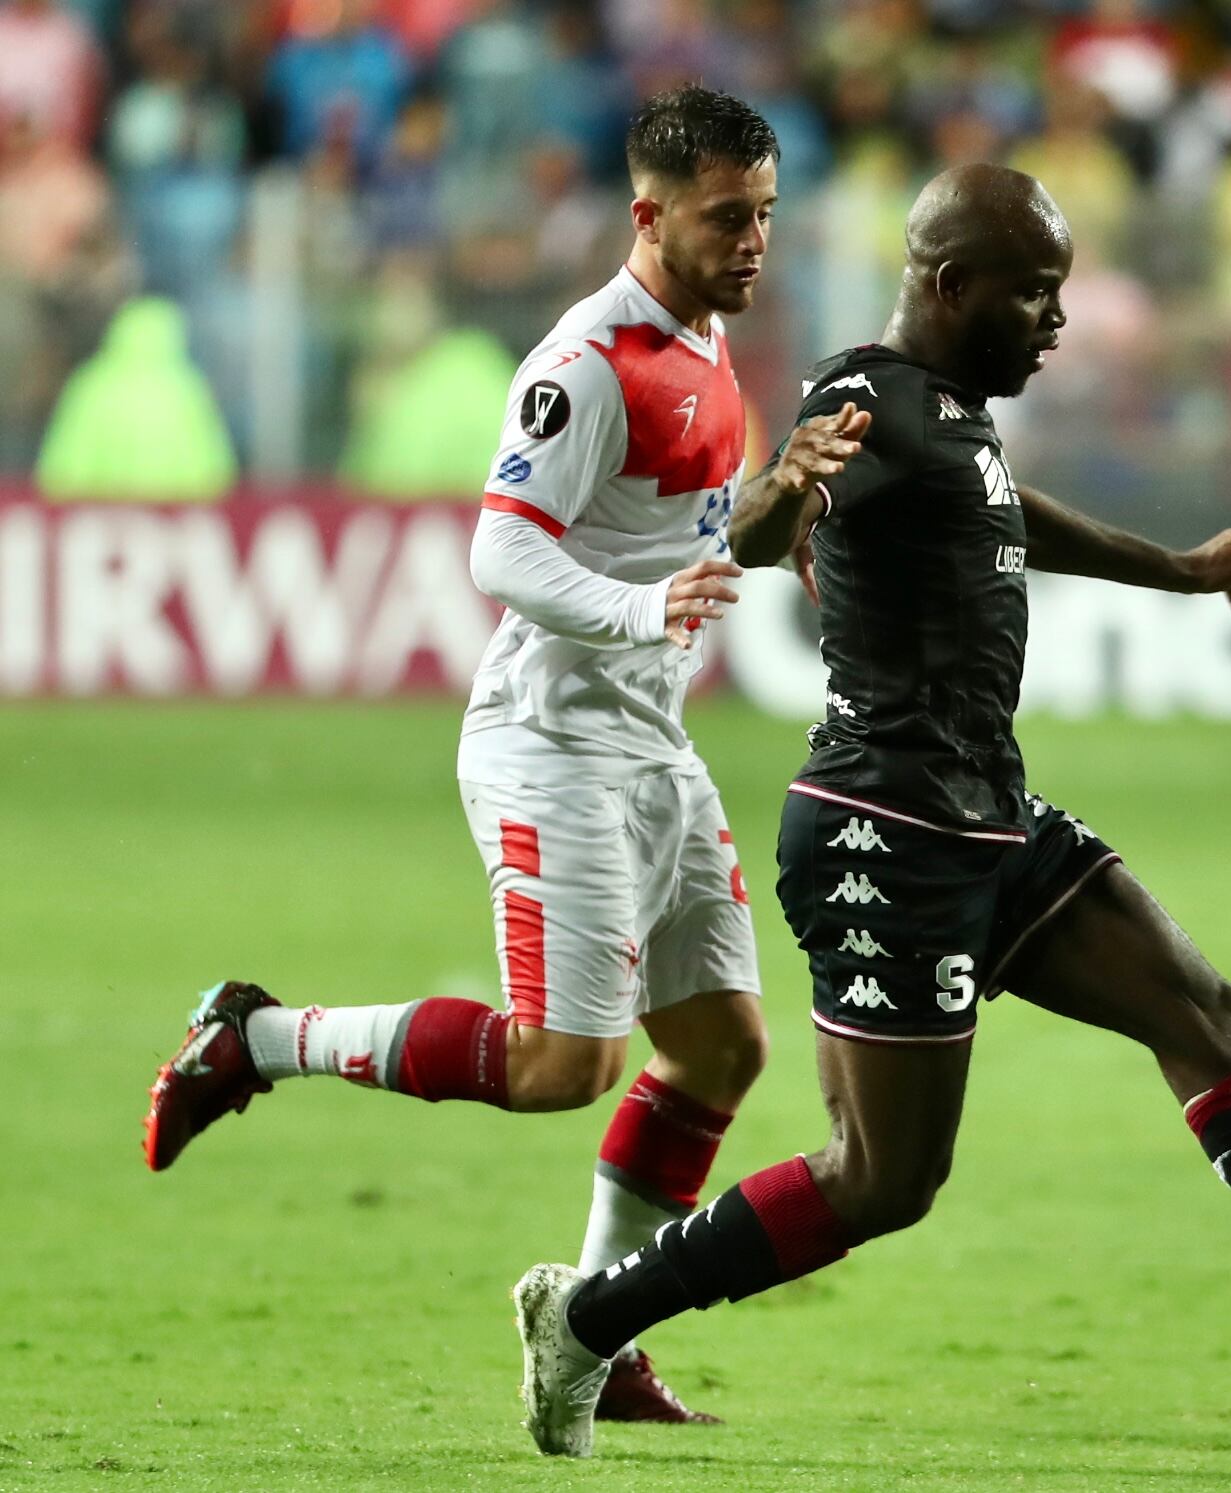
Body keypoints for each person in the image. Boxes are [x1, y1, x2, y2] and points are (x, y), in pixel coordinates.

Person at [509, 164, 1231, 1459]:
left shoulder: (951, 420)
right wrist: (782, 490)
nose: (1057, 322)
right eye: (1034, 294)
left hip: (987, 813)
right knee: (883, 1180)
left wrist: (1181, 571)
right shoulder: (863, 394)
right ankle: (589, 1319)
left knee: (1205, 1014)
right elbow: (752, 532)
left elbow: (1004, 516)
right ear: (950, 284)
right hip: (886, 834)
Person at [142, 86, 783, 1424]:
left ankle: (598, 1336)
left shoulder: (711, 339)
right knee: (567, 1066)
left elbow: (693, 541)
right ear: (648, 213)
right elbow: (501, 546)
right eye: (730, 217)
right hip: (549, 740)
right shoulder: (585, 361)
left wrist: (788, 503)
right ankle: (253, 1039)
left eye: (766, 214)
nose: (754, 240)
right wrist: (635, 610)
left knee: (720, 1049)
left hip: (648, 739)